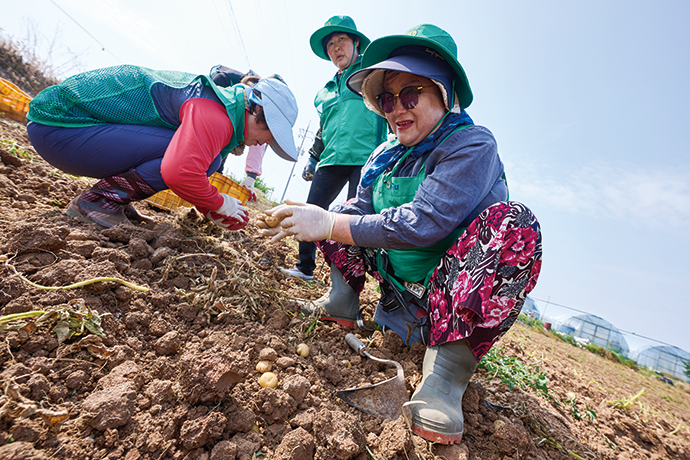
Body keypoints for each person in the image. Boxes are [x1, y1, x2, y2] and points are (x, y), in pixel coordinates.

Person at [259, 24, 542, 445]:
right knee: (341, 208)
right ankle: (342, 300)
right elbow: (354, 215)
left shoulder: (471, 145)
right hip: (399, 289)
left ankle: (445, 375)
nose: (395, 109)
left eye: (411, 94)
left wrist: (330, 225)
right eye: (387, 99)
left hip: (449, 301)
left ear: (445, 94)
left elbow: (426, 221)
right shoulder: (383, 155)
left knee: (515, 226)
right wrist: (321, 217)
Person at [26, 64, 298, 229]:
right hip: (60, 128)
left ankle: (117, 200)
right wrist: (217, 201)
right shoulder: (213, 113)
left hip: (69, 132)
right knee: (188, 158)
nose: (265, 143)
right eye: (269, 133)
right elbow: (180, 171)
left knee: (208, 160)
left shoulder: (224, 107)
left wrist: (210, 209)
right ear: (254, 110)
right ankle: (98, 203)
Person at [279, 15, 387, 280]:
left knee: (356, 217)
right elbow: (322, 127)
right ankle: (305, 267)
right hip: (331, 159)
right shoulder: (325, 91)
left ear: (356, 43)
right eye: (330, 44)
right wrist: (313, 158)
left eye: (342, 40)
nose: (336, 47)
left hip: (366, 158)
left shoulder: (371, 75)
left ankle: (347, 282)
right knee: (311, 208)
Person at [209, 65, 266, 202]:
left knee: (217, 163)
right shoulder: (222, 81)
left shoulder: (261, 108)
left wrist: (251, 177)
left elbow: (261, 138)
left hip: (229, 131)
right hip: (210, 122)